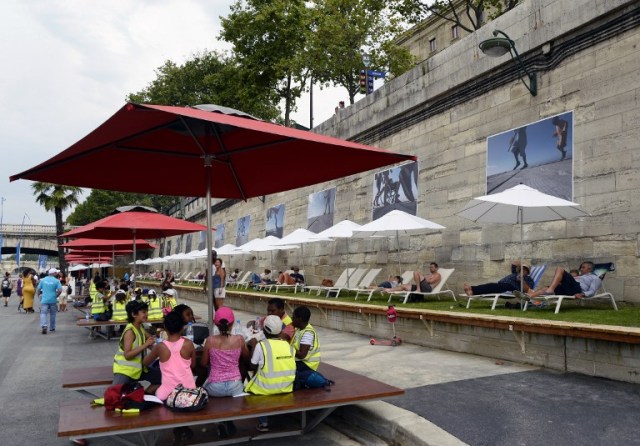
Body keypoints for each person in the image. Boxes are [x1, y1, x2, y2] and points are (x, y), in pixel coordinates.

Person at [201, 307, 250, 438]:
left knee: (203, 389)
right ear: (232, 323)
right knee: (228, 396)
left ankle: (219, 423)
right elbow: (246, 357)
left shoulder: (210, 340)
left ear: (215, 323)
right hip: (236, 387)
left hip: (215, 387)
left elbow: (203, 363)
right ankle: (227, 420)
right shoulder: (239, 339)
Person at [245, 314, 296, 432]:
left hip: (266, 389)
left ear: (265, 331)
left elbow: (252, 366)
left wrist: (253, 346)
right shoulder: (289, 346)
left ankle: (264, 423)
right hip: (286, 387)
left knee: (253, 385)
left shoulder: (261, 346)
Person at [113, 300, 161, 393]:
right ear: (134, 314)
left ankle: (143, 397)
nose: (146, 314)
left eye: (146, 311)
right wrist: (146, 345)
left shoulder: (140, 327)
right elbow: (127, 355)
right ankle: (137, 398)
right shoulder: (130, 332)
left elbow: (150, 339)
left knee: (162, 378)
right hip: (125, 370)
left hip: (139, 369)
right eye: (143, 312)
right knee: (115, 394)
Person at [526, 261, 601, 299]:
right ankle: (529, 296)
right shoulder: (579, 276)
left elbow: (592, 290)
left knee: (560, 269)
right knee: (546, 288)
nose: (581, 269)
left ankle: (550, 290)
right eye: (581, 267)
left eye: (583, 267)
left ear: (590, 269)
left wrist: (583, 294)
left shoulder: (595, 278)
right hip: (569, 289)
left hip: (577, 289)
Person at [463, 260, 534, 296]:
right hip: (501, 285)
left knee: (491, 286)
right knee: (491, 286)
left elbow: (527, 290)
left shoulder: (528, 279)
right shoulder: (515, 273)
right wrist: (524, 263)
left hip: (510, 288)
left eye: (525, 270)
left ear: (528, 272)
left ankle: (472, 290)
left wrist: (521, 279)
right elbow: (514, 262)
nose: (523, 270)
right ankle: (472, 290)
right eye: (522, 268)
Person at [291, 306, 320, 372]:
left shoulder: (308, 333)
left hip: (307, 364)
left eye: (294, 317)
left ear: (300, 319)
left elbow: (302, 355)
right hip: (300, 361)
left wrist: (287, 347)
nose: (292, 319)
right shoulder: (299, 329)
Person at [37, 268, 62, 334]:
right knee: (53, 314)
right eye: (56, 273)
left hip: (44, 299)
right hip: (53, 300)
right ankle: (52, 328)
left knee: (43, 313)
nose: (57, 274)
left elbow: (38, 289)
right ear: (53, 273)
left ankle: (44, 326)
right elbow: (60, 290)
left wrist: (38, 296)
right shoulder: (57, 281)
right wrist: (56, 296)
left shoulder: (42, 280)